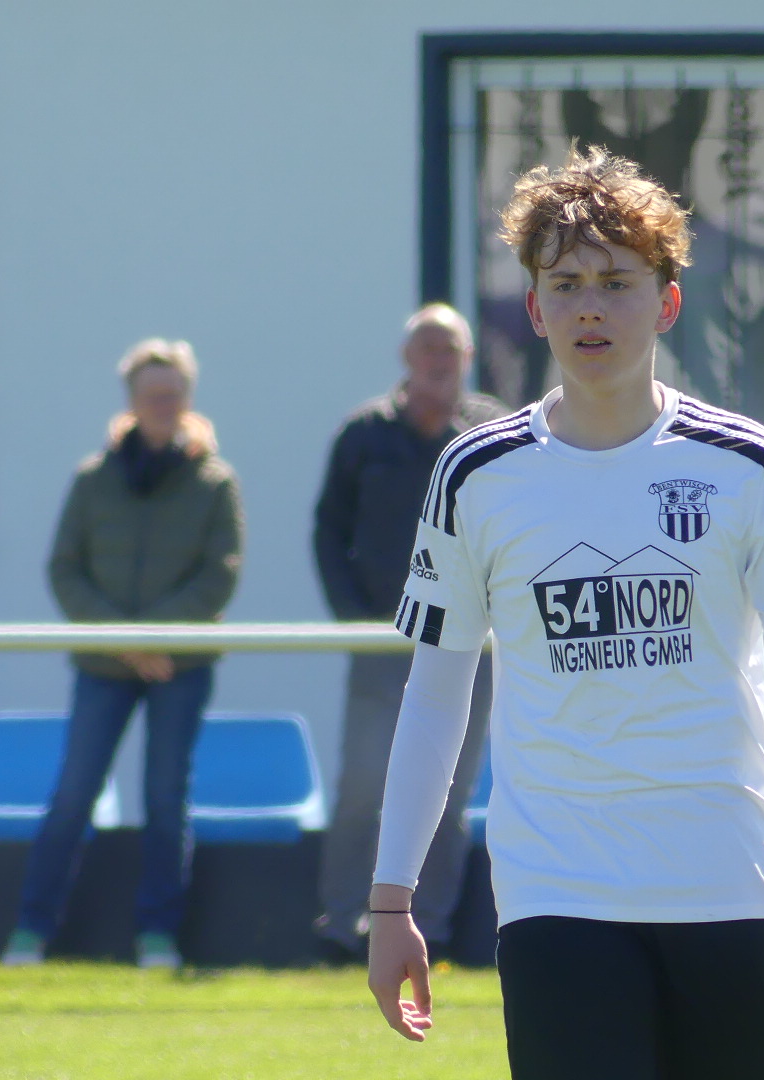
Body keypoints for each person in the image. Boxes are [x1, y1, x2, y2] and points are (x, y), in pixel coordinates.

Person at [365, 148, 764, 1079]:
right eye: (566, 284)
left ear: (667, 303)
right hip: (557, 898)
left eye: (617, 283)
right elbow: (436, 698)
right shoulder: (475, 475)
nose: (590, 308)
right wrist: (390, 900)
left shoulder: (748, 465)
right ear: (534, 308)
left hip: (730, 887)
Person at [1, 338, 244, 970]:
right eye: (151, 394)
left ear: (188, 398)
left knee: (165, 799)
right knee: (73, 794)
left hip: (180, 667)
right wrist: (125, 641)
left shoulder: (215, 482)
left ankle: (158, 936)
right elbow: (65, 569)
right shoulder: (93, 478)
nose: (163, 404)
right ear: (132, 401)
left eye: (173, 393)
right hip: (102, 668)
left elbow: (218, 575)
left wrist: (150, 638)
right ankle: (30, 932)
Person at [311, 304, 507, 960]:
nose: (438, 360)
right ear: (406, 357)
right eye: (427, 346)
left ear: (468, 358)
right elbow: (328, 532)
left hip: (465, 647)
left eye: (449, 348)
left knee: (447, 791)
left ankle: (434, 930)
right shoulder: (363, 435)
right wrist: (353, 621)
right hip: (381, 647)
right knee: (362, 787)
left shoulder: (490, 433)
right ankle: (342, 926)